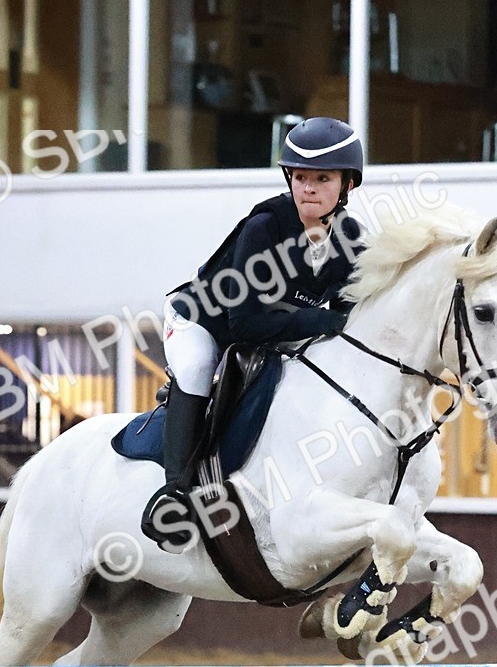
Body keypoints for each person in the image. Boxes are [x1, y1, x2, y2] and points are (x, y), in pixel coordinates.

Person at [141, 116, 365, 549]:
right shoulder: (265, 227)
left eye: (323, 178)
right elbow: (245, 322)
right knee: (196, 367)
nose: (309, 188)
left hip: (266, 330)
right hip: (202, 320)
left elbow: (348, 314)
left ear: (347, 185)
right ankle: (174, 493)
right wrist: (324, 321)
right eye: (300, 177)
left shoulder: (351, 237)